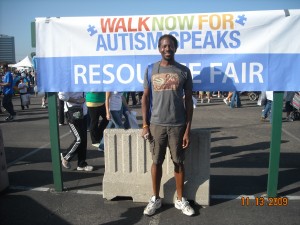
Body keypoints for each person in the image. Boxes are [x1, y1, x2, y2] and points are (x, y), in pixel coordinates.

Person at [141, 34, 195, 216]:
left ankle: (180, 200)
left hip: (178, 125)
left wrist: (187, 129)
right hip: (156, 125)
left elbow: (189, 102)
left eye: (170, 46)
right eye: (164, 46)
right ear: (159, 48)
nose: (167, 49)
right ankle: (155, 199)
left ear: (175, 48)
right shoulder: (150, 70)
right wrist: (145, 125)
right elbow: (145, 98)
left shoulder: (184, 71)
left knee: (178, 162)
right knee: (156, 161)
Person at [58, 92, 93, 171]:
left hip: (83, 112)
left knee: (83, 140)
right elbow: (62, 96)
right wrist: (77, 101)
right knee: (79, 139)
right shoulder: (68, 80)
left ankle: (82, 164)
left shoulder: (82, 80)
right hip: (72, 113)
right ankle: (65, 156)